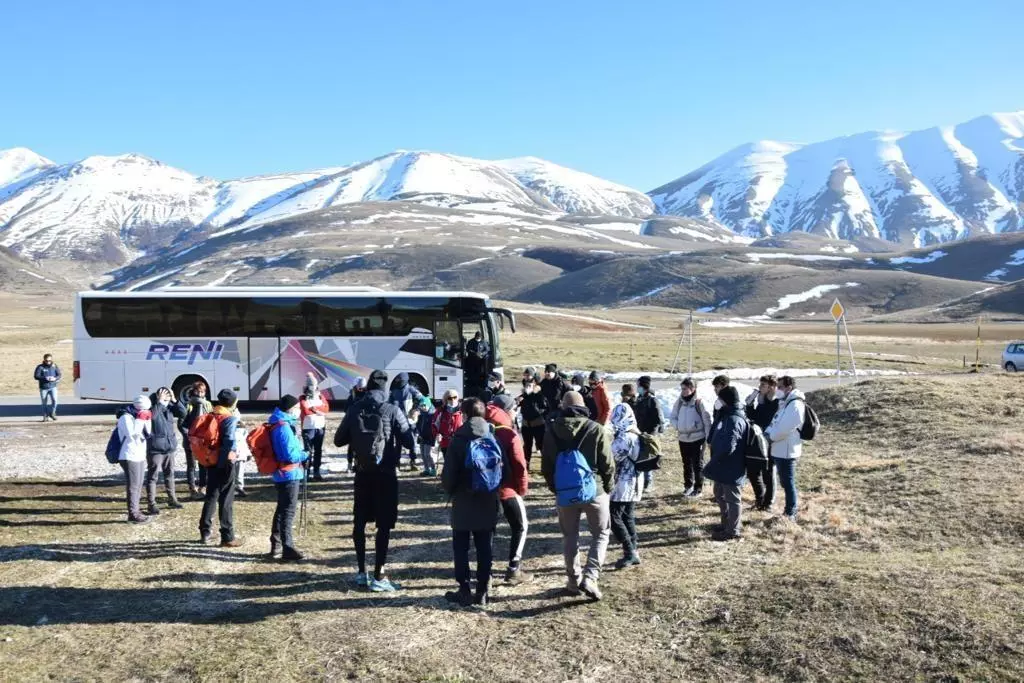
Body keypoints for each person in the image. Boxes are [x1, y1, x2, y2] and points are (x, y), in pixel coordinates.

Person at [334, 369, 415, 592]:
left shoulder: (354, 408)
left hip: (362, 473)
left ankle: (361, 572)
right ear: (385, 388)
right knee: (384, 526)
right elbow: (409, 441)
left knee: (359, 522)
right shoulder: (392, 409)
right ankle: (380, 575)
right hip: (387, 474)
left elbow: (338, 440)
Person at [542, 391, 614, 601]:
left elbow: (546, 466)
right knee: (601, 534)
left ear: (563, 407)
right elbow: (608, 464)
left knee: (570, 536)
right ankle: (591, 577)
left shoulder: (551, 430)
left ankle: (573, 581)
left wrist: (556, 488)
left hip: (565, 492)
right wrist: (607, 487)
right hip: (595, 490)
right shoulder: (596, 429)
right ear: (583, 406)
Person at [442, 398, 502, 607]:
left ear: (465, 415)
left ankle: (464, 589)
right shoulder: (493, 437)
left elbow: (448, 476)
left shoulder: (458, 440)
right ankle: (483, 590)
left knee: (461, 546)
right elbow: (506, 471)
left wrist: (451, 490)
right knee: (485, 546)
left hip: (463, 499)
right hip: (488, 499)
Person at [485, 395, 531, 585]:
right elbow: (520, 464)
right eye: (513, 408)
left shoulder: (482, 427)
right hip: (508, 489)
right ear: (506, 410)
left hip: (485, 489)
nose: (515, 412)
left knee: (487, 531)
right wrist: (522, 488)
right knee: (521, 526)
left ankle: (485, 572)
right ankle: (513, 569)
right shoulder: (508, 433)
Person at [703, 386, 749, 541]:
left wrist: (714, 460)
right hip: (722, 465)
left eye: (720, 399)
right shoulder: (726, 415)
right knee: (720, 495)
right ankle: (726, 524)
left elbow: (729, 446)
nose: (718, 402)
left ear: (726, 401)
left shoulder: (734, 419)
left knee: (733, 499)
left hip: (731, 466)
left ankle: (733, 531)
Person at [267, 395, 310, 561]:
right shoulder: (284, 427)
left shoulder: (278, 422)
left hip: (282, 473)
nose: (299, 409)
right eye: (297, 407)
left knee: (282, 508)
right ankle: (288, 547)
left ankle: (276, 544)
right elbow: (291, 455)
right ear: (290, 408)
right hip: (289, 473)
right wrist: (305, 454)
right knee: (288, 511)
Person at [198, 389, 243, 547]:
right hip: (224, 462)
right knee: (226, 499)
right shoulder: (229, 418)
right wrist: (226, 462)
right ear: (233, 403)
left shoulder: (212, 414)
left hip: (210, 459)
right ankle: (227, 536)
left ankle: (205, 531)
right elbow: (229, 441)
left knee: (211, 495)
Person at [764, 376, 806, 521]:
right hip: (780, 448)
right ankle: (789, 510)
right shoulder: (785, 403)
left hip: (787, 450)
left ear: (789, 387)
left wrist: (771, 437)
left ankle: (790, 513)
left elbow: (784, 428)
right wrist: (768, 432)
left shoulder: (795, 405)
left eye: (780, 387)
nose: (778, 390)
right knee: (785, 482)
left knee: (788, 482)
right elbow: (775, 421)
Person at [608, 402, 643, 569]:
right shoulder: (634, 432)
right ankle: (634, 550)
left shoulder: (624, 437)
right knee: (628, 515)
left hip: (623, 482)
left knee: (614, 517)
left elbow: (609, 457)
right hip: (635, 481)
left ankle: (629, 552)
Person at [669, 378, 713, 498]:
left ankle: (698, 488)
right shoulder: (679, 402)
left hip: (697, 438)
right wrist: (678, 426)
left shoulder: (699, 403)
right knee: (686, 463)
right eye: (681, 389)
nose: (682, 391)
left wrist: (708, 438)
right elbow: (672, 417)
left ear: (692, 389)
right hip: (683, 438)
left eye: (685, 389)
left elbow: (707, 421)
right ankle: (688, 485)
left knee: (697, 463)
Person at [145, 387, 185, 515]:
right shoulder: (152, 406)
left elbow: (183, 413)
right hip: (155, 448)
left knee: (170, 474)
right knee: (153, 476)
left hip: (169, 447)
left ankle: (172, 499)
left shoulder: (169, 408)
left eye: (168, 395)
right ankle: (151, 504)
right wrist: (159, 401)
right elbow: (154, 417)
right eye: (165, 395)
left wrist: (174, 400)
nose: (167, 398)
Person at [745, 375, 780, 511]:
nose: (759, 388)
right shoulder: (762, 401)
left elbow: (769, 421)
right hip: (758, 440)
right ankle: (760, 499)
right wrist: (749, 405)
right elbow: (755, 418)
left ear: (772, 387)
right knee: (753, 471)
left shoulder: (777, 403)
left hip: (771, 441)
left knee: (768, 472)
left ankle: (768, 503)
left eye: (763, 386)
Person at [117, 395, 153, 524]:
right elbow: (133, 435)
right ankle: (133, 513)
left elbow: (148, 433)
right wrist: (140, 419)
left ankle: (136, 511)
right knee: (133, 485)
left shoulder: (140, 416)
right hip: (128, 455)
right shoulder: (125, 417)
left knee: (138, 484)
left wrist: (147, 419)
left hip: (139, 455)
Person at [179, 381, 212, 499]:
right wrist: (189, 436)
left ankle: (203, 486)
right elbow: (181, 424)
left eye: (202, 391)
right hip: (190, 440)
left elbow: (211, 421)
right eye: (198, 391)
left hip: (203, 441)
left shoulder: (207, 405)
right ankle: (192, 488)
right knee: (191, 466)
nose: (200, 394)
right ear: (193, 391)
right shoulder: (188, 405)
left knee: (204, 464)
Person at [633, 376, 664, 493]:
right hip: (639, 432)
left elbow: (658, 418)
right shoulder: (639, 398)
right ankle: (639, 481)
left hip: (648, 434)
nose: (637, 388)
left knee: (647, 458)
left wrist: (651, 434)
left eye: (639, 385)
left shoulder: (652, 400)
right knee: (639, 456)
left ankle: (648, 482)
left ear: (644, 386)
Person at [300, 373, 331, 481]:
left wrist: (314, 408)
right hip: (308, 427)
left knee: (318, 450)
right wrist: (319, 410)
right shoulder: (302, 398)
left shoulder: (321, 396)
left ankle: (316, 472)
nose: (312, 387)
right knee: (308, 451)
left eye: (314, 385)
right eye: (310, 385)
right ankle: (306, 473)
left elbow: (326, 409)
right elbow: (306, 411)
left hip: (320, 427)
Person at [389, 373, 423, 469]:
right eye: (397, 381)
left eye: (400, 381)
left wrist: (415, 409)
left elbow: (422, 400)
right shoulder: (394, 391)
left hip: (410, 422)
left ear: (405, 381)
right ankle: (396, 463)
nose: (398, 382)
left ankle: (413, 461)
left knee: (412, 442)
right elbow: (388, 404)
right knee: (398, 443)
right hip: (398, 422)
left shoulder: (411, 389)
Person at [518, 373, 547, 470]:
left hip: (538, 424)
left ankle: (546, 466)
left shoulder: (539, 395)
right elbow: (517, 405)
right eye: (526, 385)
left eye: (530, 385)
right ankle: (526, 466)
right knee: (527, 446)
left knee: (541, 445)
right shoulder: (523, 396)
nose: (528, 387)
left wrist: (536, 410)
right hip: (526, 425)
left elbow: (545, 407)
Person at [432, 389, 464, 460]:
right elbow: (434, 425)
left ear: (458, 398)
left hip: (459, 443)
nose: (452, 400)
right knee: (448, 463)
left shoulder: (463, 411)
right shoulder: (441, 411)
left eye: (455, 397)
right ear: (446, 400)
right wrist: (437, 434)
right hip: (445, 443)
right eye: (449, 398)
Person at [345, 377, 368, 472]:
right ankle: (350, 463)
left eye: (363, 388)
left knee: (364, 445)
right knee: (352, 445)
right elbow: (346, 410)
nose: (361, 390)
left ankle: (361, 463)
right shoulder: (352, 397)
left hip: (365, 425)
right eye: (359, 388)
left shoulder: (368, 396)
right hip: (354, 425)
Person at [33, 353, 62, 422]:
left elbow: (59, 374)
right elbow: (36, 376)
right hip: (43, 388)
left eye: (49, 360)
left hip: (53, 387)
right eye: (47, 361)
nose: (48, 362)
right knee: (44, 403)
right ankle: (45, 416)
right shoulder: (40, 367)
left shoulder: (54, 366)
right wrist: (45, 378)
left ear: (51, 360)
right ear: (44, 360)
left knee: (55, 400)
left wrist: (55, 378)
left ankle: (52, 413)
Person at [414, 396, 438, 476]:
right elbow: (418, 425)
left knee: (428, 454)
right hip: (422, 437)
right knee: (423, 454)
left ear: (429, 404)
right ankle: (427, 469)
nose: (423, 407)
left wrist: (435, 435)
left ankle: (433, 469)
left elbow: (435, 426)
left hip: (430, 437)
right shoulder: (421, 415)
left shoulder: (433, 414)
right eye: (421, 406)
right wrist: (417, 432)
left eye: (424, 405)